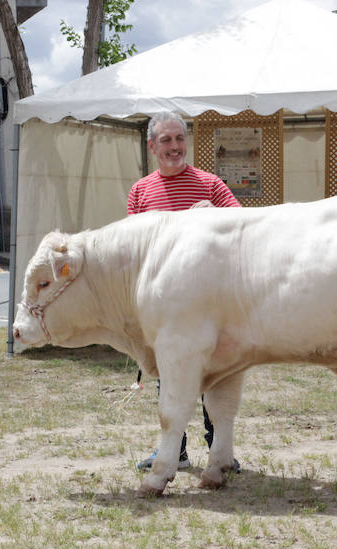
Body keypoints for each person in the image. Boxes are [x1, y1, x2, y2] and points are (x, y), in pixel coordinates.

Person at [130, 111, 241, 473]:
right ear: (152, 146)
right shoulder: (140, 191)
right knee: (168, 378)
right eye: (166, 140)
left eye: (179, 139)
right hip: (166, 311)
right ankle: (173, 450)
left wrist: (213, 215)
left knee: (215, 375)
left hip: (211, 306)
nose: (174, 147)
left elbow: (244, 227)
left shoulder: (211, 185)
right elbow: (132, 249)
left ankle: (219, 449)